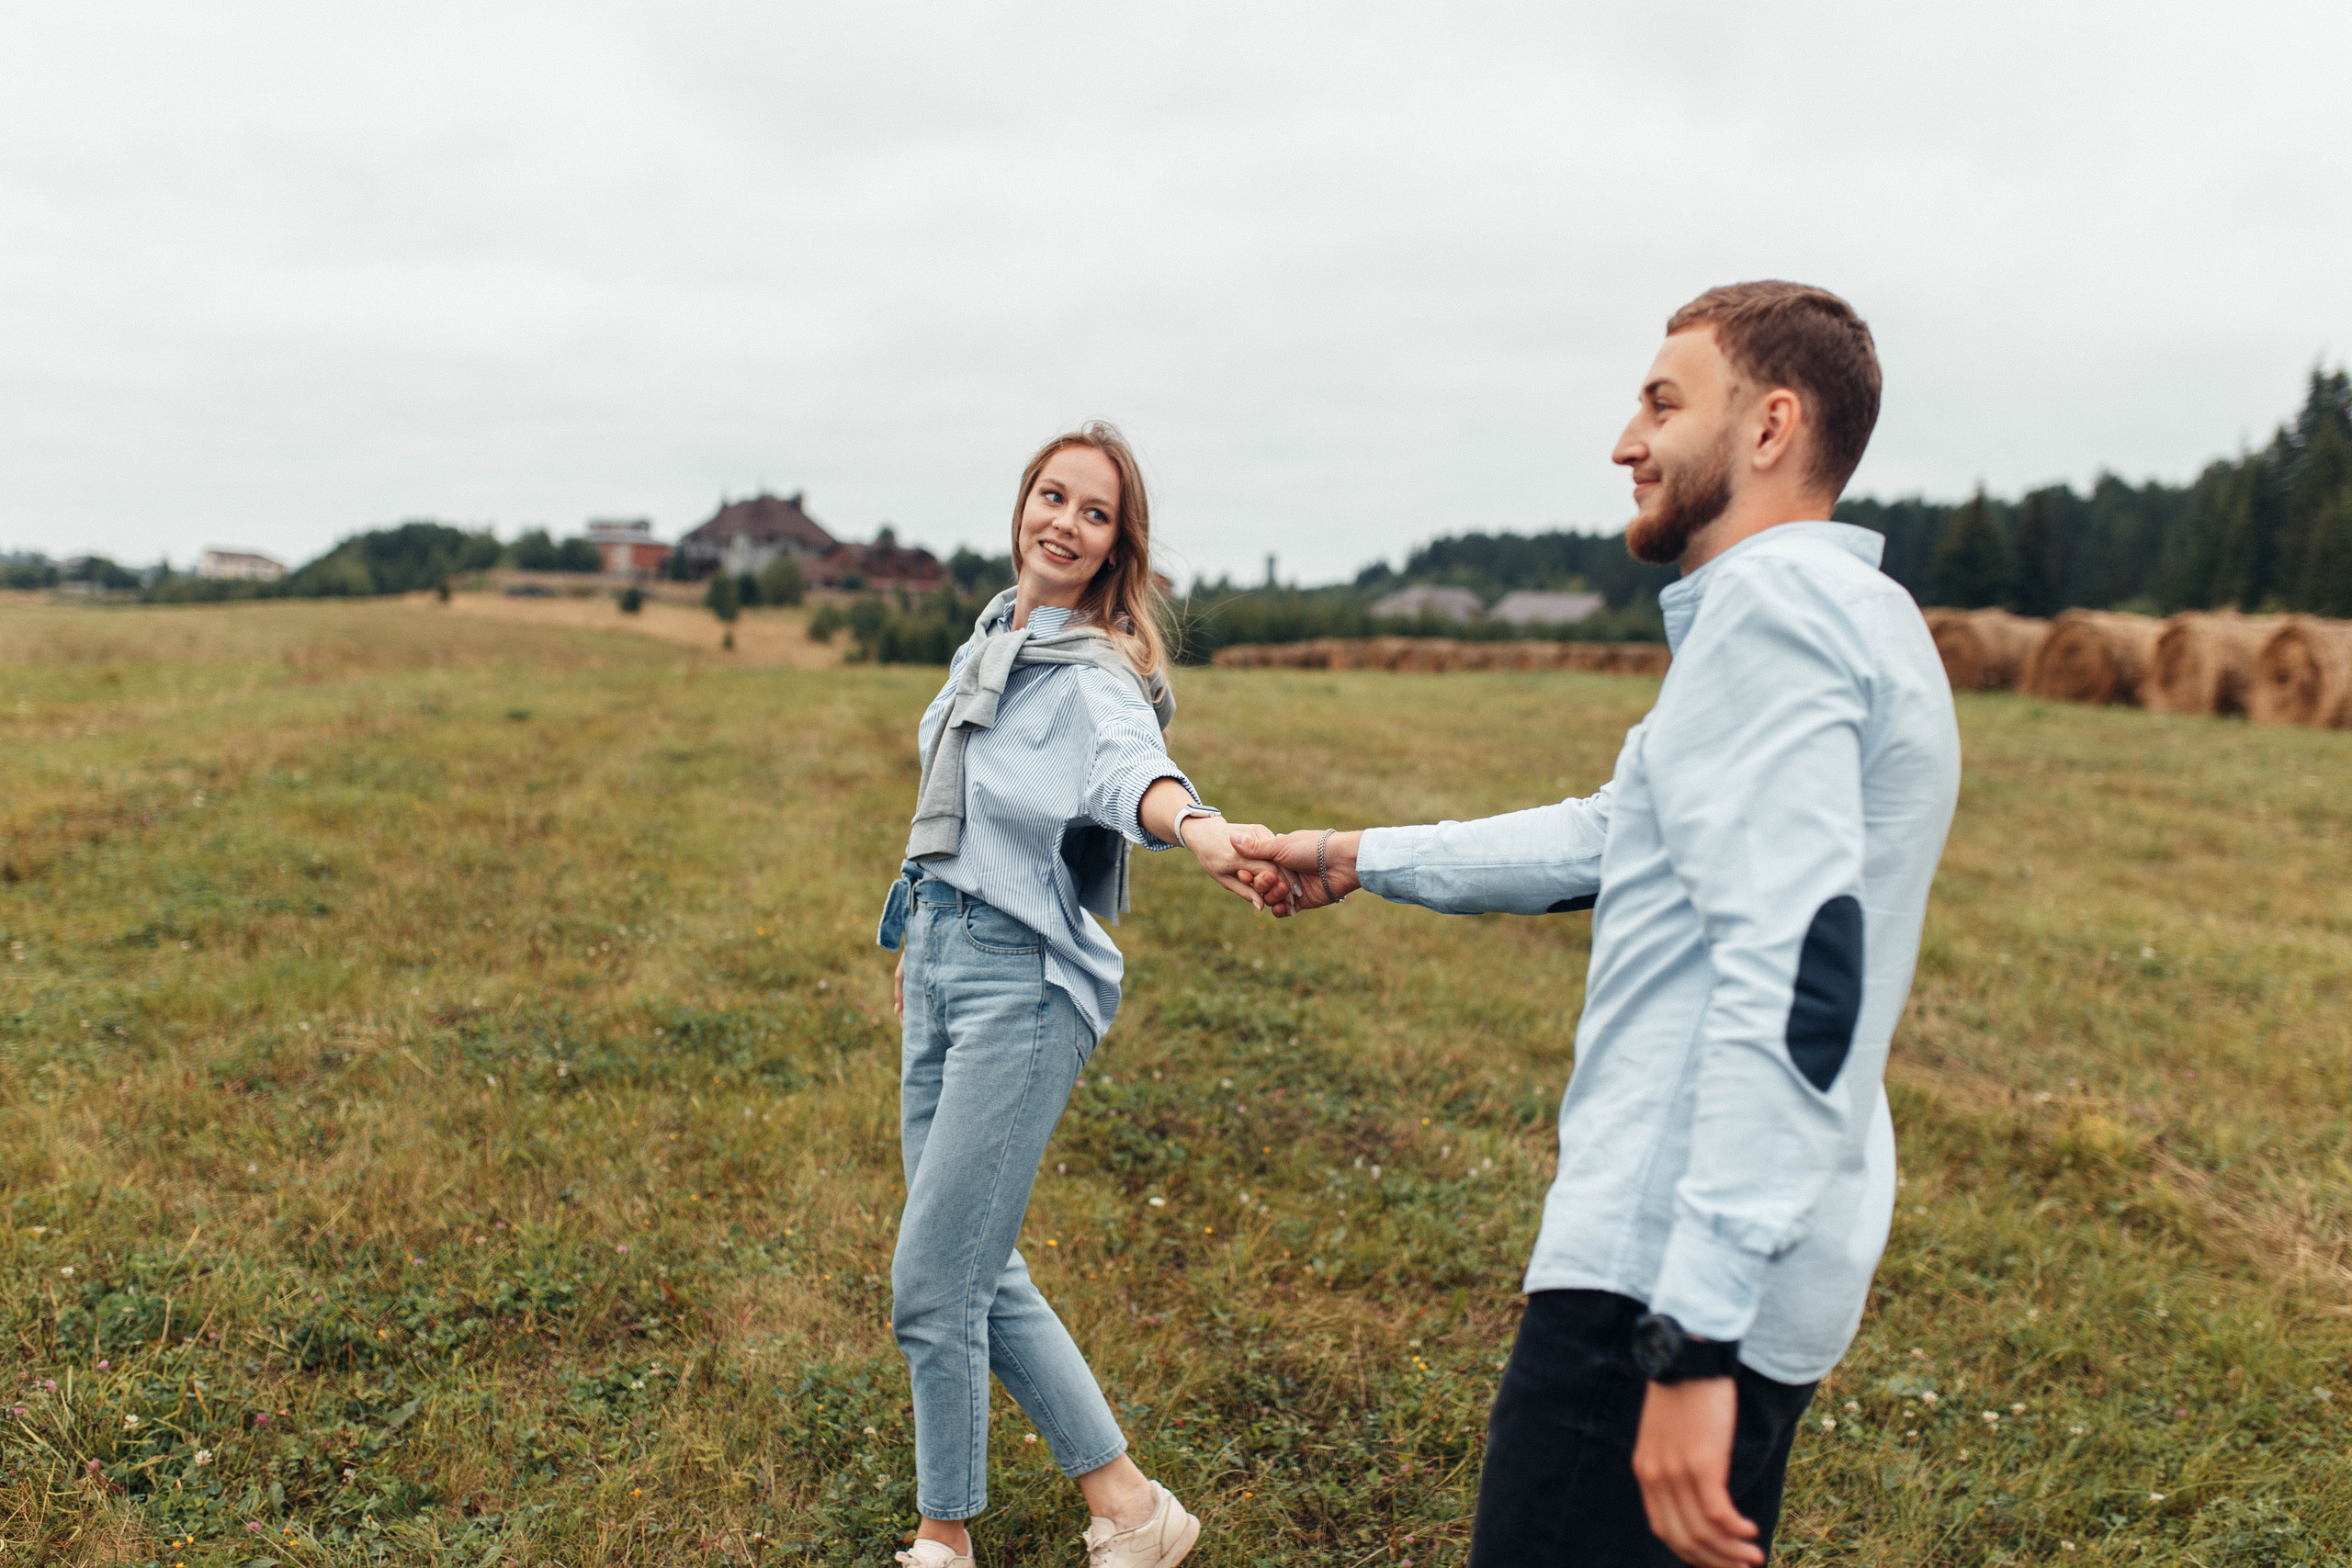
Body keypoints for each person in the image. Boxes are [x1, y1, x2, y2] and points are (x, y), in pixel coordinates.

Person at [1238, 282, 1961, 1567]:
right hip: (1737, 1259)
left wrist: (1690, 1335)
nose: (1625, 438)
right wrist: (1355, 854)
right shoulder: (1854, 616)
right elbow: (1614, 833)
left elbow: (1800, 967)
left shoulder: (1773, 615)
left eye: (1662, 400)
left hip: (1662, 1270)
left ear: (1770, 424)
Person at [876, 423, 1272, 1568]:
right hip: (947, 960)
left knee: (929, 1279)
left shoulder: (1094, 677)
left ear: (1113, 549)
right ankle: (1128, 1508)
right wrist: (921, 927)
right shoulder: (991, 639)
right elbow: (946, 801)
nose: (1065, 522)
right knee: (970, 1262)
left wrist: (1194, 827)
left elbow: (1125, 769)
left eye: (1093, 514)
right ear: (1022, 506)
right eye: (1052, 497)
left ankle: (941, 1537)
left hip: (1019, 984)